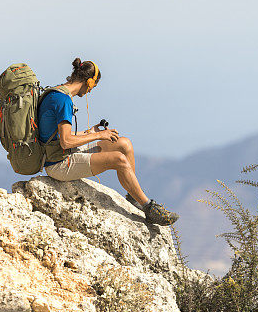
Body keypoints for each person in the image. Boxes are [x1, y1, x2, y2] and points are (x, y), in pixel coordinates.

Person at [37, 58, 179, 226]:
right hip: (58, 163)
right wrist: (98, 136)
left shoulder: (57, 93)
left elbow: (60, 134)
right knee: (119, 159)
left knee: (124, 144)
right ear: (89, 82)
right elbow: (66, 142)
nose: (90, 91)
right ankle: (148, 208)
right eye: (93, 87)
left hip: (59, 151)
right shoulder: (63, 100)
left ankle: (133, 197)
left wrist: (90, 132)